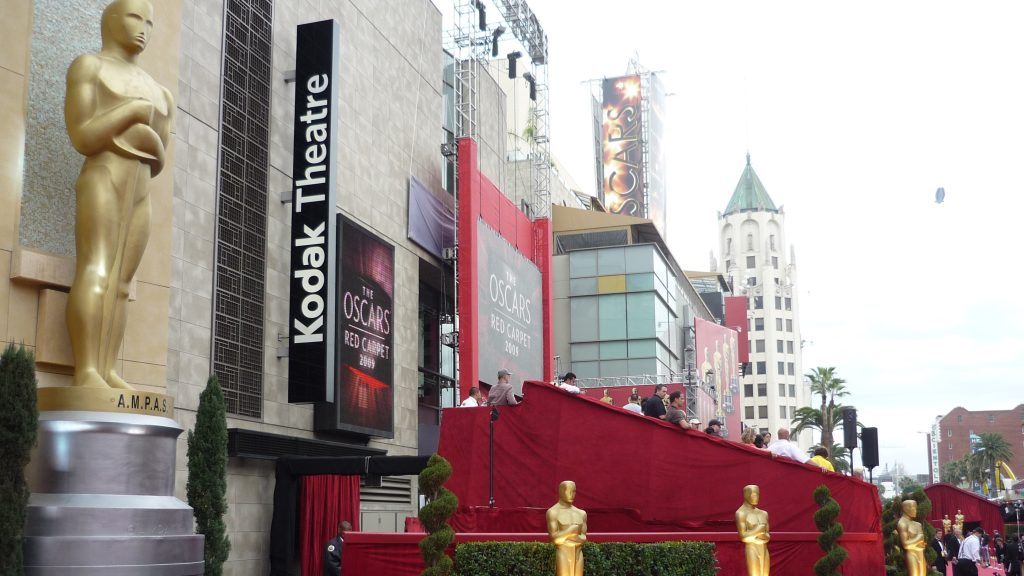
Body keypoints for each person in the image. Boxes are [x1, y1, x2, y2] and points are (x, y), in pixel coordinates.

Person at [65, 0, 174, 389]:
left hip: (141, 186)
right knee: (96, 269)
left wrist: (143, 134)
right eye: (134, 17)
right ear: (111, 20)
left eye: (149, 21)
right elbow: (83, 135)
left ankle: (108, 367)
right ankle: (87, 371)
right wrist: (131, 115)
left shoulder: (160, 92)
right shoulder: (89, 67)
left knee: (122, 283)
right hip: (103, 177)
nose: (144, 28)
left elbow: (159, 156)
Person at [546, 480, 587, 576]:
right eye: (568, 491)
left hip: (578, 553)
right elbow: (554, 539)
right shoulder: (553, 512)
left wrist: (568, 537)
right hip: (563, 552)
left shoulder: (581, 513)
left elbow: (584, 538)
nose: (571, 494)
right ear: (560, 491)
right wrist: (571, 531)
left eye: (574, 491)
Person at [735, 484, 770, 576]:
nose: (757, 497)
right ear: (746, 495)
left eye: (758, 494)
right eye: (754, 495)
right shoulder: (741, 513)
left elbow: (768, 536)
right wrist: (759, 530)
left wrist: (757, 536)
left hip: (764, 549)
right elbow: (743, 537)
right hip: (752, 549)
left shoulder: (763, 513)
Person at [896, 499, 927, 576]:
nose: (916, 510)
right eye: (914, 508)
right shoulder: (902, 523)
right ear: (906, 509)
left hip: (920, 553)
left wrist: (918, 541)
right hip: (912, 554)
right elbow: (906, 545)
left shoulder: (918, 524)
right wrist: (919, 537)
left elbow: (922, 543)